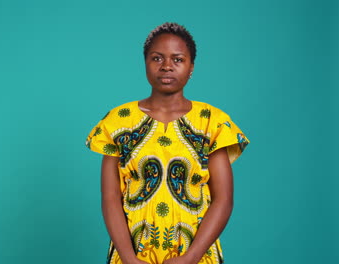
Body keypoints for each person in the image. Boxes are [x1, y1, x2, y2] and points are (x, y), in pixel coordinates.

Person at [85, 22, 249, 264]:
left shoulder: (213, 123)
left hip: (196, 256)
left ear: (191, 67)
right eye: (157, 58)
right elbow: (110, 198)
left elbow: (223, 199)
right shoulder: (118, 122)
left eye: (178, 59)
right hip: (131, 255)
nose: (167, 66)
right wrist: (129, 259)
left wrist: (191, 257)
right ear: (146, 64)